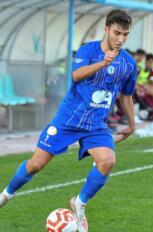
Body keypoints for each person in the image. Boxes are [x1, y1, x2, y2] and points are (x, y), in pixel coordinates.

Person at [0, 9, 137, 232]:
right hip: (68, 120)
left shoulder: (129, 63)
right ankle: (6, 195)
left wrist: (131, 124)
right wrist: (103, 63)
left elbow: (126, 95)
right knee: (36, 164)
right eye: (117, 33)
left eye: (125, 35)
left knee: (107, 161)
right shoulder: (88, 50)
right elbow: (76, 75)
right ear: (107, 30)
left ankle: (79, 202)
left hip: (96, 124)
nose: (121, 39)